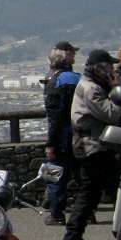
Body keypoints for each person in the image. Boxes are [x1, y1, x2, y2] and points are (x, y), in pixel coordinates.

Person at [64, 49, 121, 240]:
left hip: (93, 145)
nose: (112, 69)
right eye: (109, 65)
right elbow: (110, 114)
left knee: (92, 192)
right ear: (99, 67)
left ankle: (73, 237)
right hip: (93, 146)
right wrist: (117, 88)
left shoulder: (92, 85)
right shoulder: (91, 88)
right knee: (113, 189)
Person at [42, 41, 81, 226]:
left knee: (56, 175)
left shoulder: (54, 81)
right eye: (72, 53)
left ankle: (56, 214)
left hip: (63, 137)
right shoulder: (77, 78)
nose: (74, 56)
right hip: (81, 134)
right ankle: (85, 213)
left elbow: (55, 117)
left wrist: (51, 143)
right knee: (82, 175)